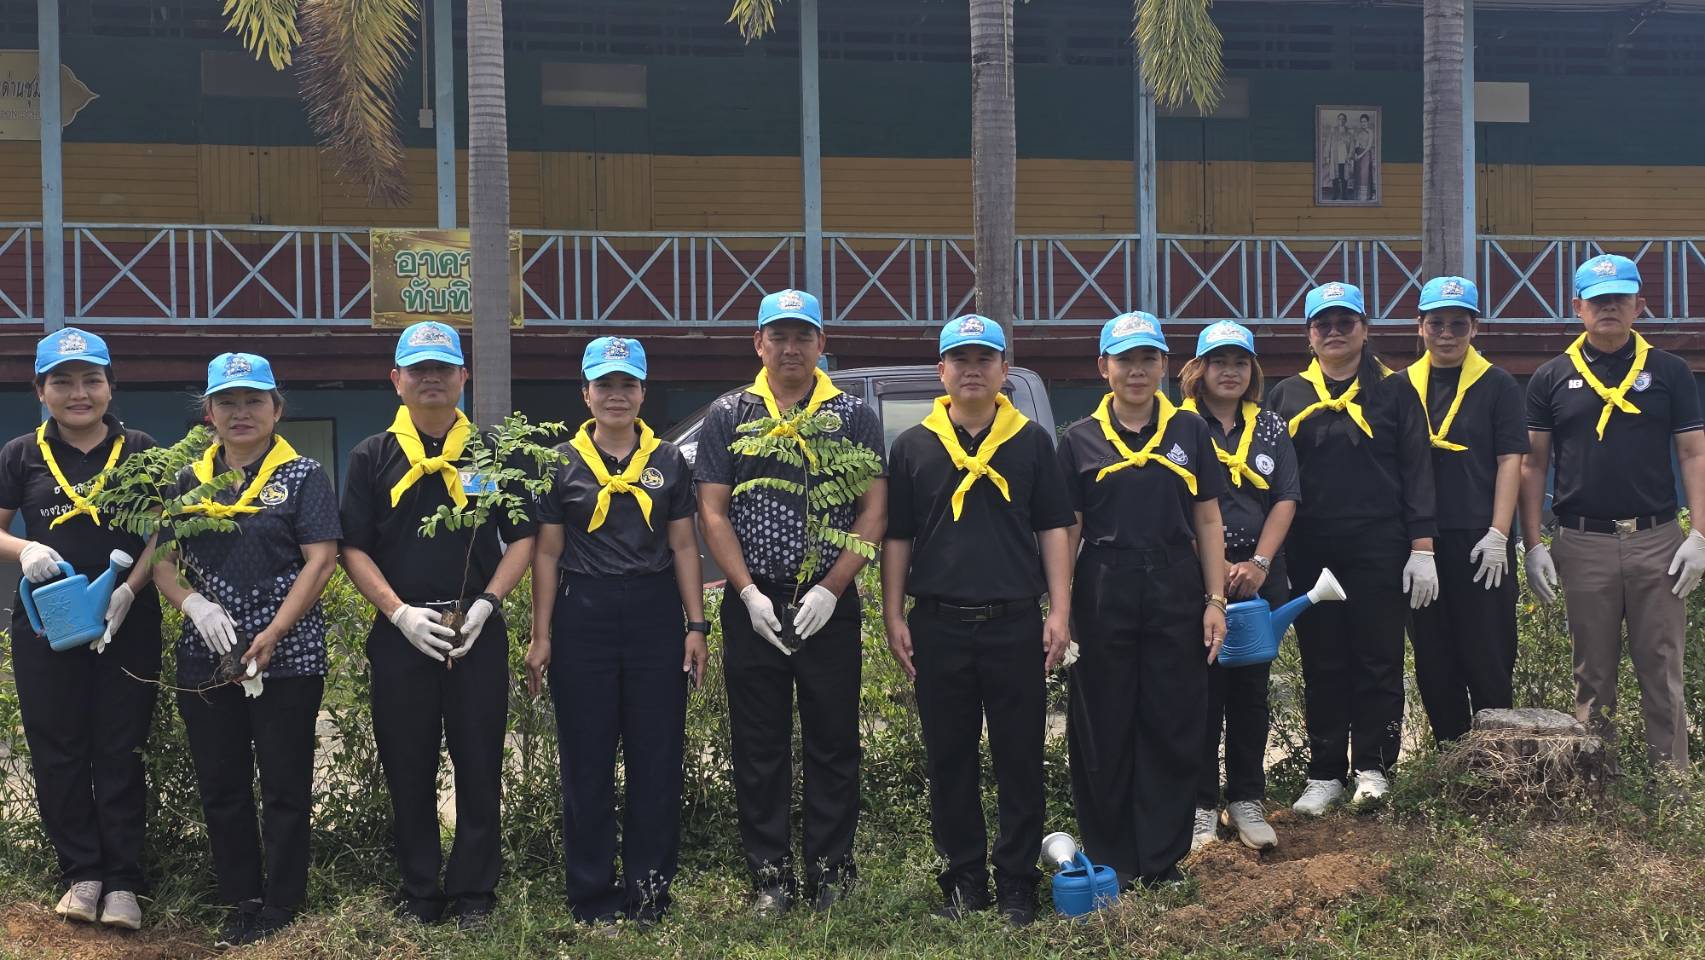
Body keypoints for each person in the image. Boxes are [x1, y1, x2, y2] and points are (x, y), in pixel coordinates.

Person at [694, 288, 887, 916]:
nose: (791, 347)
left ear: (821, 345)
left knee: (833, 740)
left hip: (827, 601)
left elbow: (874, 508)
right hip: (755, 603)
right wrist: (746, 592)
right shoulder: (730, 413)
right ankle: (768, 875)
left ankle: (832, 872)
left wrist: (834, 586)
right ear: (759, 344)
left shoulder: (852, 416)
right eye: (779, 336)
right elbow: (713, 510)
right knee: (759, 743)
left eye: (803, 335)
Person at [338, 321, 536, 928]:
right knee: (408, 761)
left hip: (475, 629)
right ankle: (421, 888)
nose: (431, 379)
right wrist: (396, 612)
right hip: (402, 634)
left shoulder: (495, 455)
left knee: (480, 762)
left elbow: (523, 536)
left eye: (443, 369)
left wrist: (489, 602)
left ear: (462, 379)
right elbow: (352, 547)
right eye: (418, 369)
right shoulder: (371, 455)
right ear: (396, 380)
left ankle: (475, 889)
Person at [881, 316, 1075, 925]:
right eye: (959, 359)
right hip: (938, 624)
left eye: (984, 359)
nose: (971, 369)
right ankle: (963, 879)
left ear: (1003, 371)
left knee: (1021, 758)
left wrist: (1060, 610)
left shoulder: (1031, 442)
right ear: (941, 371)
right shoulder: (913, 446)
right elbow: (899, 537)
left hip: (1014, 623)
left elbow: (1054, 529)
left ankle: (1016, 880)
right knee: (950, 759)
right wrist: (892, 614)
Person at [155, 352, 340, 947]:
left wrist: (276, 632)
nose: (241, 412)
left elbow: (321, 559)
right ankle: (241, 897)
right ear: (208, 412)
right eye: (227, 402)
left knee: (285, 782)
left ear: (276, 409)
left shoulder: (304, 476)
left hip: (288, 652)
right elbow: (162, 561)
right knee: (223, 781)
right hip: (206, 652)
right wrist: (195, 606)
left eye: (254, 400)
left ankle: (284, 899)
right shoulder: (187, 479)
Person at [525, 337, 706, 926]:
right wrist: (541, 633)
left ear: (643, 392)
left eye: (628, 385)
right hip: (585, 617)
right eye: (605, 385)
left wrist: (695, 625)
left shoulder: (670, 462)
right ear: (585, 393)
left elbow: (683, 544)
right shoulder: (561, 463)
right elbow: (547, 555)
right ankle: (592, 894)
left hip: (654, 616)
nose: (617, 396)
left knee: (656, 759)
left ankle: (650, 890)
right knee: (588, 760)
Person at [1056, 311, 1228, 890]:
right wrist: (1060, 608)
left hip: (1174, 584)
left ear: (1165, 366)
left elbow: (1207, 518)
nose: (1136, 371)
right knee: (1103, 721)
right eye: (1125, 359)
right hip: (1103, 586)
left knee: (1172, 718)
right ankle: (1112, 854)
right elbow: (1069, 530)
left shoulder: (1190, 433)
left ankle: (1161, 858)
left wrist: (1214, 600)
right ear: (1103, 367)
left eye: (1148, 359)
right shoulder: (1077, 439)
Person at [0, 329, 161, 930]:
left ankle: (123, 883)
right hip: (47, 624)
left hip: (128, 624)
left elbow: (160, 536)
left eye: (91, 380)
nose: (78, 393)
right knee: (59, 747)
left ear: (109, 387)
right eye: (62, 382)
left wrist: (131, 589)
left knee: (121, 746)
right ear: (41, 391)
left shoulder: (142, 450)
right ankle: (81, 874)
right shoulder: (20, 454)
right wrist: (24, 550)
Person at [1522, 255, 1705, 775]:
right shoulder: (1551, 377)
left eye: (1620, 299)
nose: (1609, 308)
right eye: (1598, 300)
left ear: (1638, 305)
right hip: (1584, 543)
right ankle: (1599, 786)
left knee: (1662, 668)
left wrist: (1701, 535)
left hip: (1658, 540)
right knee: (1593, 674)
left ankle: (1670, 786)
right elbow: (1533, 465)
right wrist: (1533, 543)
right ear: (1577, 307)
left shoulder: (1669, 371)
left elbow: (1694, 454)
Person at [1268, 282, 1437, 815]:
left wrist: (1422, 545)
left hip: (1378, 544)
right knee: (1322, 660)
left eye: (1346, 323)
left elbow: (1416, 468)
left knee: (1378, 656)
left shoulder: (1394, 390)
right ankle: (1324, 775)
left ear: (1365, 329)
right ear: (1309, 336)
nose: (1335, 333)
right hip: (1310, 548)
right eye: (1324, 325)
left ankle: (1374, 767)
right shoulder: (1287, 395)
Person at [1176, 320, 1299, 853]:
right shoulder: (1178, 425)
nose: (1229, 371)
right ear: (1197, 370)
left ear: (1252, 370)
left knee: (1250, 696)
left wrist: (1259, 564)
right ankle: (1202, 804)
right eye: (1218, 361)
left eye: (1240, 362)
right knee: (1200, 694)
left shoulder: (1271, 426)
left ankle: (1246, 798)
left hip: (1256, 584)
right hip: (1198, 581)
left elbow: (1285, 498)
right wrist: (1217, 568)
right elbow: (1175, 504)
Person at [1405, 277, 1528, 745]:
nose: (1447, 333)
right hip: (1422, 544)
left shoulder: (1497, 384)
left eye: (1459, 323)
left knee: (1489, 654)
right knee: (1434, 657)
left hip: (1481, 542)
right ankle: (1450, 760)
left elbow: (1509, 461)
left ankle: (1499, 760)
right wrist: (1415, 545)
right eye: (1436, 322)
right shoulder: (1402, 387)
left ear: (1475, 327)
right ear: (1421, 327)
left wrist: (1499, 533)